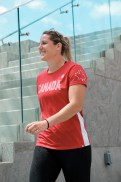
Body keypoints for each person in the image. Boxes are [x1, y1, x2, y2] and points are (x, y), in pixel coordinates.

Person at [25, 30, 91, 182]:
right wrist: (43, 125)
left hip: (75, 145)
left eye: (44, 43)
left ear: (58, 46)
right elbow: (48, 108)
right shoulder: (40, 77)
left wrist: (46, 123)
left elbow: (75, 105)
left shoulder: (74, 70)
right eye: (39, 44)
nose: (39, 47)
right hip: (46, 142)